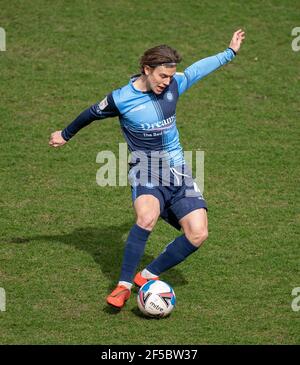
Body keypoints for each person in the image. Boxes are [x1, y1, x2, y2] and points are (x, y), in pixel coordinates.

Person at [49, 29, 245, 309]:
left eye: (170, 76)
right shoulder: (121, 99)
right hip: (145, 170)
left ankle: (147, 275)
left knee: (198, 233)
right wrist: (65, 134)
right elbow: (91, 113)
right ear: (146, 69)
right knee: (146, 217)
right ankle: (123, 286)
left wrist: (230, 53)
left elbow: (197, 70)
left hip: (178, 172)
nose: (167, 82)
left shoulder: (174, 84)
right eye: (162, 76)